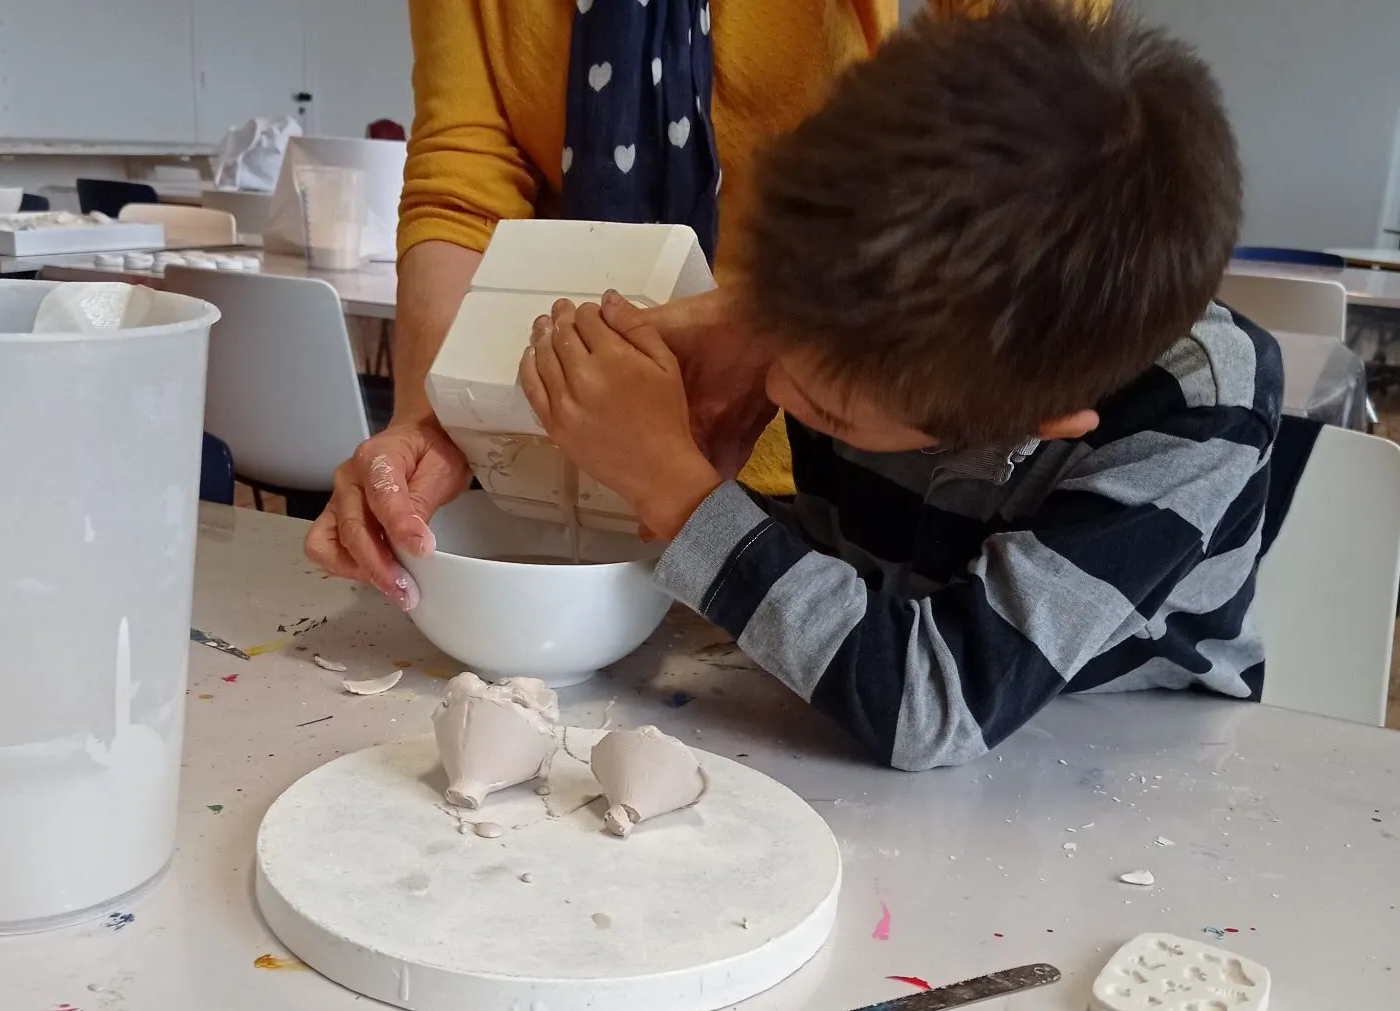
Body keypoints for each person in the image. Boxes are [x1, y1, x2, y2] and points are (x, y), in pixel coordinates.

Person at [518, 0, 1284, 770]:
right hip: (881, 697)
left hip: (1127, 761)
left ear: (1038, 421)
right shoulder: (882, 323)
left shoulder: (1195, 414)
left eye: (826, 413)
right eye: (776, 331)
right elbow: (856, 600)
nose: (777, 392)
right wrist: (754, 313)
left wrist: (676, 492)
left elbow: (932, 701)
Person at [303, 0, 1113, 605]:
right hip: (576, 441)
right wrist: (439, 416)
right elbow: (462, 173)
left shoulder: (824, 397)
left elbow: (1036, 126)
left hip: (831, 423)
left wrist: (770, 331)